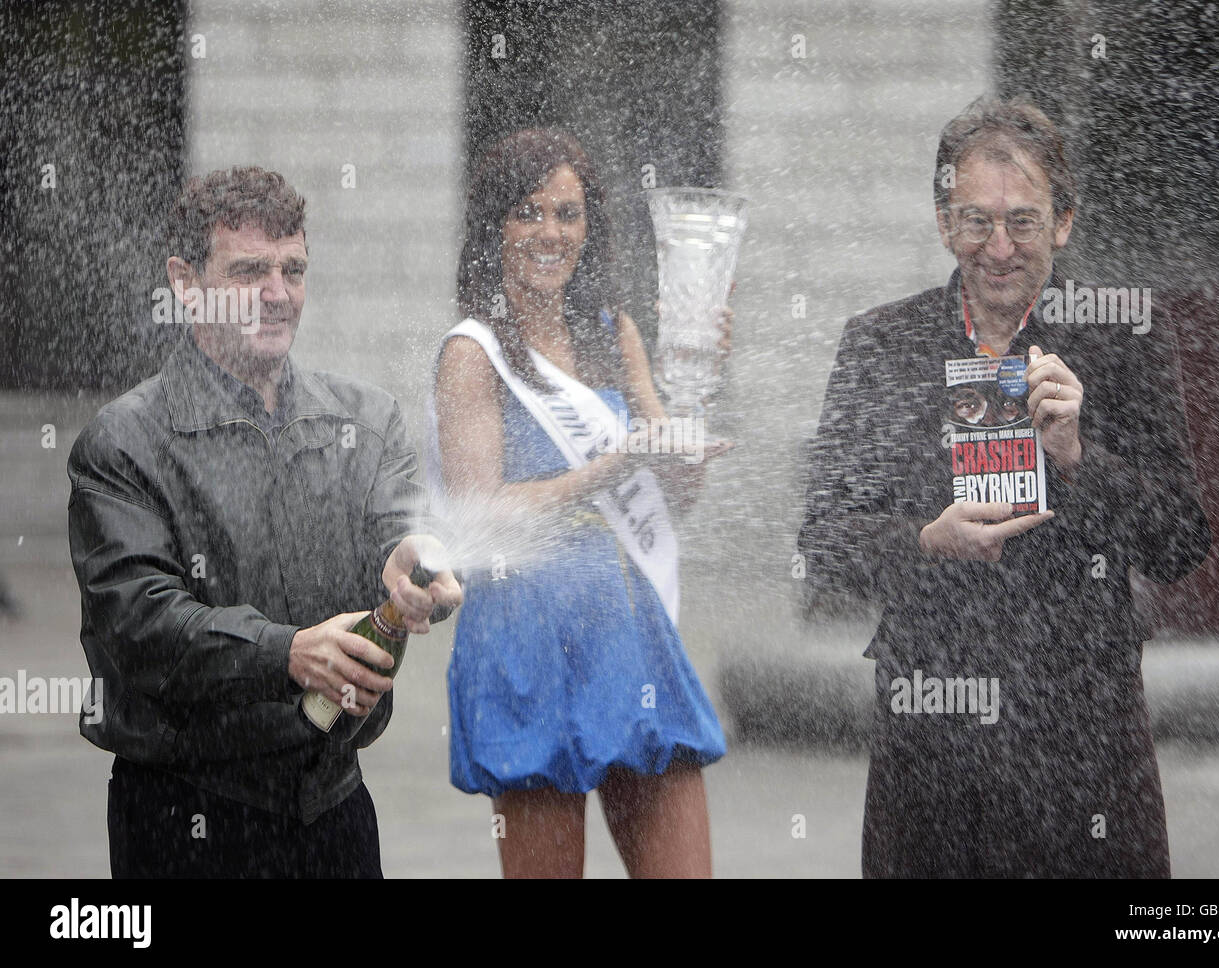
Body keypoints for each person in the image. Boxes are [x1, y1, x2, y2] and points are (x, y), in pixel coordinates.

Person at [798, 96, 1211, 877]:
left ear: (1064, 221)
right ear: (942, 219)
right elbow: (822, 543)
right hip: (930, 732)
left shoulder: (1120, 339)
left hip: (1081, 735)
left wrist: (1080, 456)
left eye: (1023, 221)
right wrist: (927, 542)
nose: (997, 247)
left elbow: (1183, 542)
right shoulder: (884, 344)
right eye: (975, 220)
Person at [67, 166, 463, 878]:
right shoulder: (124, 442)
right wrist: (285, 652)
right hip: (185, 818)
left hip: (334, 810)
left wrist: (418, 557)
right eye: (250, 270)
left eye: (293, 269)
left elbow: (402, 526)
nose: (277, 294)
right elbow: (138, 625)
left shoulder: (364, 424)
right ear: (185, 283)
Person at [431, 129, 729, 878]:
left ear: (590, 226)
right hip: (527, 638)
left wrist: (698, 391)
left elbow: (674, 493)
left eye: (568, 213)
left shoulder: (613, 332)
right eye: (528, 213)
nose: (550, 233)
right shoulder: (472, 353)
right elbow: (481, 513)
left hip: (631, 634)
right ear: (493, 227)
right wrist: (609, 466)